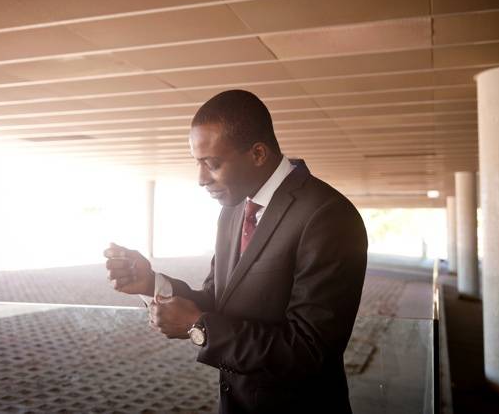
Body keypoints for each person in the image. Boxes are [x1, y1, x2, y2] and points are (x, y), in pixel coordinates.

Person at [105, 89, 367, 413]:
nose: (201, 179)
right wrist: (151, 284)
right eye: (197, 163)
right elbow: (219, 301)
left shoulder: (328, 215)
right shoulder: (233, 210)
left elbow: (309, 350)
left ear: (258, 154)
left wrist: (199, 327)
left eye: (212, 164)